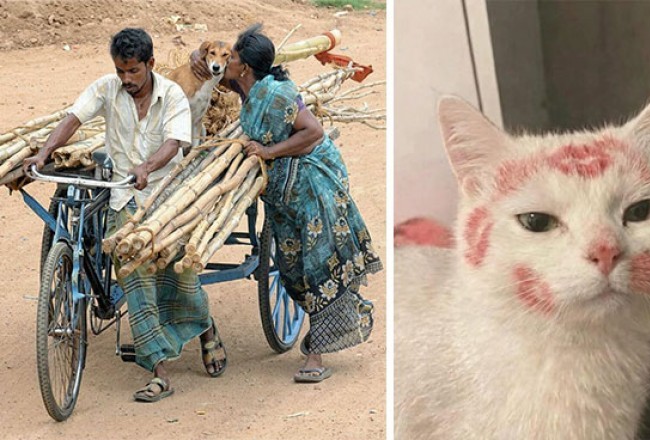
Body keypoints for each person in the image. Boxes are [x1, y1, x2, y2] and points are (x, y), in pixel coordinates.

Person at [24, 28, 227, 402]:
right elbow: (73, 119)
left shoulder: (172, 96)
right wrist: (43, 152)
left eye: (133, 71)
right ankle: (159, 370)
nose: (127, 79)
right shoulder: (106, 88)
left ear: (150, 64)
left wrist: (147, 166)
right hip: (122, 195)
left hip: (166, 194)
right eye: (121, 71)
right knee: (132, 268)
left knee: (178, 269)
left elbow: (174, 142)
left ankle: (205, 326)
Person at [192, 23, 382, 382]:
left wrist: (269, 151)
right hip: (282, 192)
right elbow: (212, 71)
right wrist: (195, 56)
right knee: (290, 267)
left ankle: (315, 357)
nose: (227, 62)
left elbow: (314, 132)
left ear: (245, 66)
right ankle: (320, 339)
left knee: (318, 265)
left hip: (312, 186)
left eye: (233, 57)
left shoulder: (278, 94)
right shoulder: (244, 86)